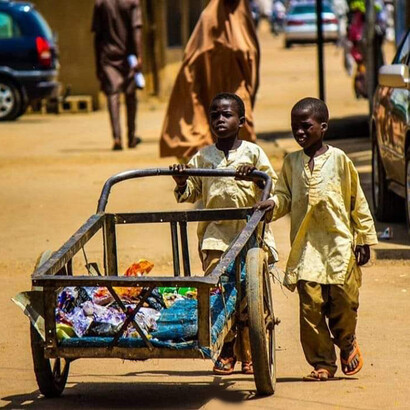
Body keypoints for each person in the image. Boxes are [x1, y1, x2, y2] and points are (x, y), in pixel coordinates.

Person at [255, 97, 378, 381]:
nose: (299, 132)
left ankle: (346, 341)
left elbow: (356, 200)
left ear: (323, 127)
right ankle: (322, 361)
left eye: (305, 126)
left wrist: (364, 238)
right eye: (294, 127)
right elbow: (285, 197)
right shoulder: (290, 163)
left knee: (345, 302)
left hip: (339, 245)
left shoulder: (340, 160)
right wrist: (272, 204)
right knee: (310, 309)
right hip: (307, 247)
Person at [170, 92, 278, 375]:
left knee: (249, 296)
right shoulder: (203, 157)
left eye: (226, 115)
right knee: (220, 294)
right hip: (215, 237)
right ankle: (227, 349)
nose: (220, 119)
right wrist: (182, 181)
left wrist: (255, 176)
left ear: (241, 121)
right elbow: (191, 191)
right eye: (214, 115)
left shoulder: (253, 153)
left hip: (250, 236)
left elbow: (270, 188)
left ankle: (250, 351)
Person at [160, 0, 260, 161]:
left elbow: (251, 54)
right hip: (208, 86)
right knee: (205, 132)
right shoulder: (208, 19)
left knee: (244, 125)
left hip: (237, 86)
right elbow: (192, 58)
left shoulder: (242, 16)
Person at [92, 0, 143, 151]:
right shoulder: (132, 2)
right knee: (130, 96)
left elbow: (97, 37)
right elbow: (136, 30)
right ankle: (131, 137)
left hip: (107, 56)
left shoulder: (100, 3)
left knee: (112, 95)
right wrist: (139, 56)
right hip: (129, 57)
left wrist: (97, 64)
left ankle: (117, 137)